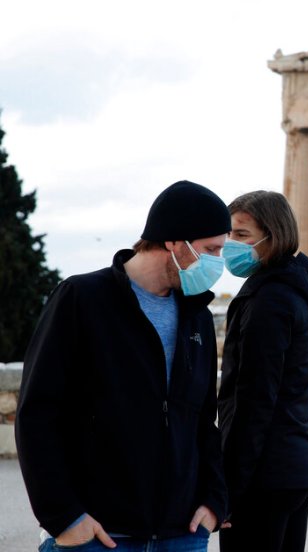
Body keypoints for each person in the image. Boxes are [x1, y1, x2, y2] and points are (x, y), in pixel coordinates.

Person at [15, 180, 230, 552]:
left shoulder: (197, 317)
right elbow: (37, 413)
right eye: (211, 249)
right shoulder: (81, 300)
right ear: (173, 242)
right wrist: (64, 517)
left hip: (181, 535)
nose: (217, 263)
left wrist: (214, 500)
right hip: (97, 536)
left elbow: (202, 421)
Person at [217, 191, 308, 552]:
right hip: (296, 466)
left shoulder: (268, 301)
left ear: (273, 236)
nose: (229, 245)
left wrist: (229, 487)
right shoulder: (296, 292)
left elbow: (253, 401)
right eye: (229, 234)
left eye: (242, 235)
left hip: (265, 475)